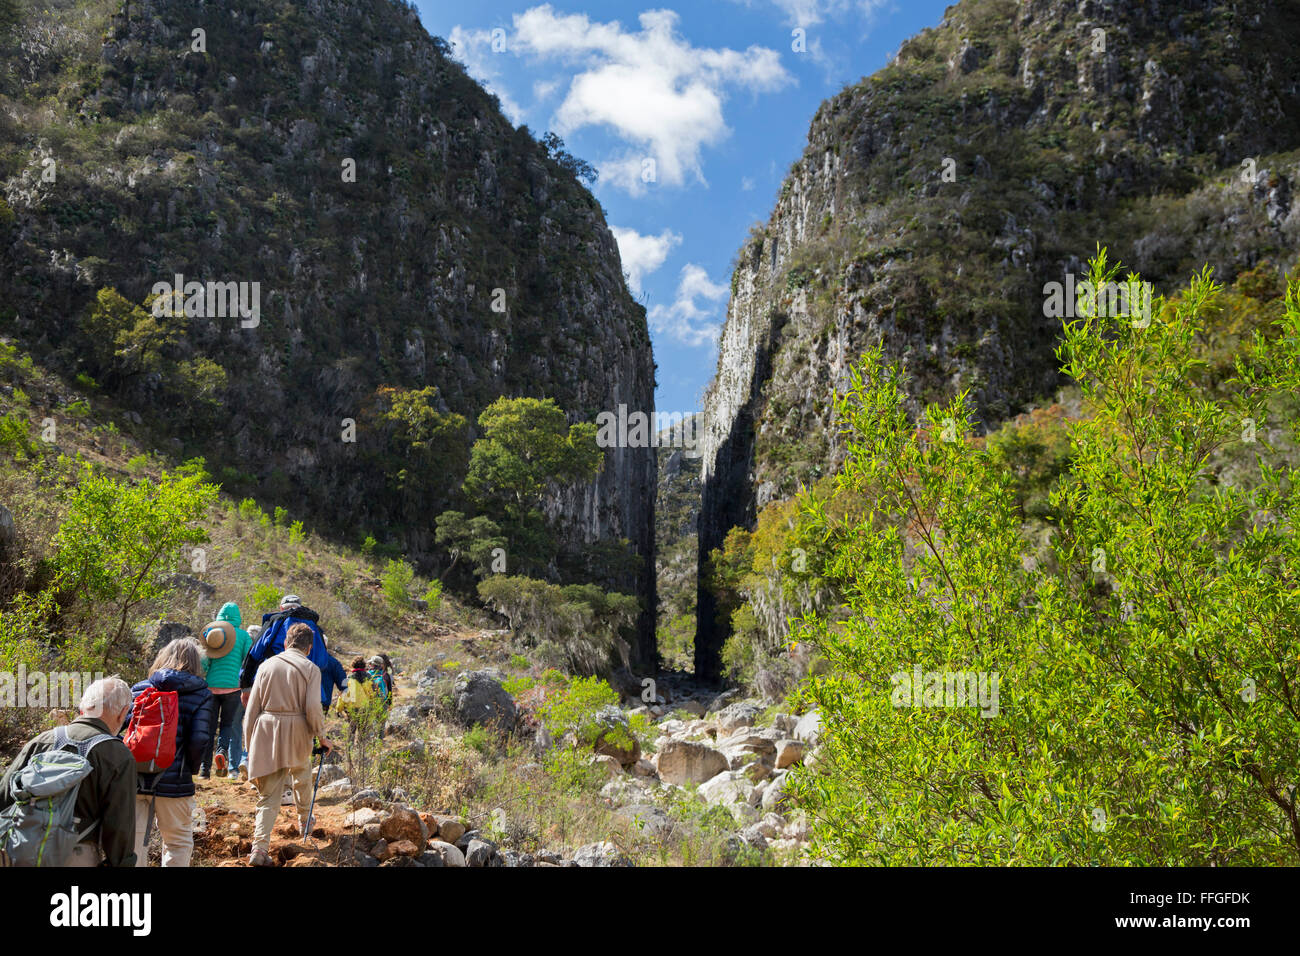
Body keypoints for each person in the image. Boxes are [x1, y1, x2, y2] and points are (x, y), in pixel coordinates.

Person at [0, 678, 138, 866]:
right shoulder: (118, 756)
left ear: (84, 706)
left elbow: (5, 794)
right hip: (77, 853)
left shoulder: (42, 741)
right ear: (123, 714)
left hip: (23, 847)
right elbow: (120, 825)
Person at [243, 622, 333, 866]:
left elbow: (252, 709)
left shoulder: (265, 666)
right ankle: (305, 821)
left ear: (285, 642)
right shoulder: (311, 669)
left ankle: (259, 849)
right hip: (297, 730)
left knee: (268, 796)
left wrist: (249, 744)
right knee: (302, 775)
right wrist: (322, 736)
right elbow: (313, 709)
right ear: (309, 647)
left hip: (266, 729)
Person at [131, 638, 216, 868]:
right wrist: (190, 768)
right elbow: (200, 739)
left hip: (134, 779)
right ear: (196, 663)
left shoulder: (140, 688)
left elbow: (123, 730)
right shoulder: (202, 694)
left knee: (134, 843)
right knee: (177, 842)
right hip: (175, 781)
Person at [240, 594, 333, 709]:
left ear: (281, 608)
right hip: (308, 688)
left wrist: (246, 686)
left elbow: (254, 654)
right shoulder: (315, 628)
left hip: (274, 686)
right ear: (300, 608)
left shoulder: (275, 622)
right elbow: (323, 662)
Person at [199, 602, 251, 780]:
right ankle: (222, 751)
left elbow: (204, 663)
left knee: (209, 727)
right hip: (233, 688)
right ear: (238, 617)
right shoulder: (244, 636)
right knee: (227, 725)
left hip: (211, 687)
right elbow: (247, 662)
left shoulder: (212, 634)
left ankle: (205, 770)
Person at [235, 624, 261, 783]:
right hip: (256, 692)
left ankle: (242, 759)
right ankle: (249, 761)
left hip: (239, 690)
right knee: (255, 726)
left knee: (239, 726)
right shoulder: (261, 651)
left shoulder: (242, 648)